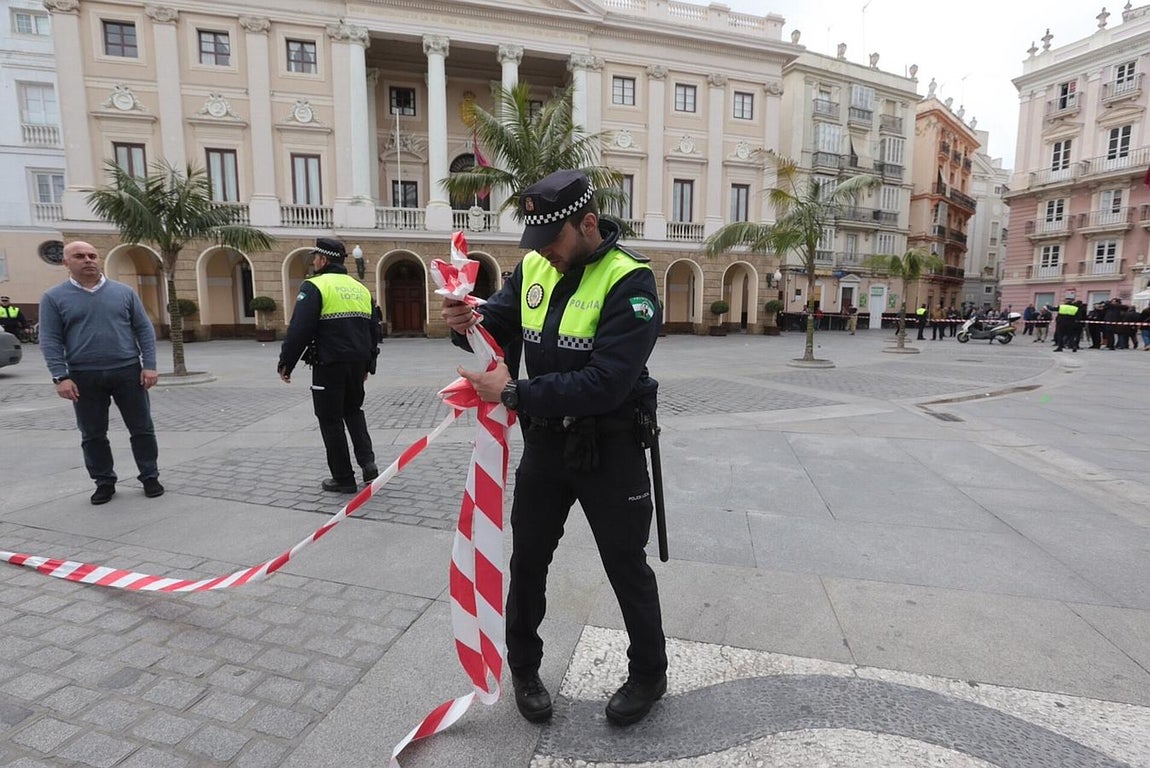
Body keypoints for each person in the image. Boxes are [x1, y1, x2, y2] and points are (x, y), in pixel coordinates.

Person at [442, 169, 667, 728]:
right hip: (546, 449)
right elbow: (494, 320)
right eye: (536, 242)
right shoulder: (537, 266)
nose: (542, 251)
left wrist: (515, 391)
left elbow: (607, 382)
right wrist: (462, 318)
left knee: (625, 565)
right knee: (530, 560)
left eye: (551, 239)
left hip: (608, 448)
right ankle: (524, 666)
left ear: (587, 224)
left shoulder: (631, 282)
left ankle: (649, 672)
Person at [38, 242, 163, 505]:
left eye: (92, 255)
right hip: (84, 376)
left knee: (142, 428)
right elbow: (50, 339)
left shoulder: (123, 292)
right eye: (79, 256)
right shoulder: (53, 297)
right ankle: (104, 481)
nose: (88, 260)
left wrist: (149, 365)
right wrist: (60, 376)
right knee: (93, 433)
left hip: (128, 371)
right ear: (66, 263)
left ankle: (149, 475)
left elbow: (144, 330)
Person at [278, 237, 380, 493]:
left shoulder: (314, 286)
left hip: (329, 364)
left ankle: (343, 478)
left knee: (330, 418)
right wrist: (370, 364)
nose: (314, 261)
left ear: (323, 260)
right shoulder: (359, 288)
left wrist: (286, 362)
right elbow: (373, 330)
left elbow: (300, 328)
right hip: (357, 364)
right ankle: (369, 465)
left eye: (315, 258)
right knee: (354, 411)